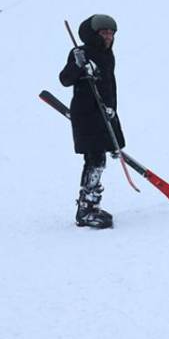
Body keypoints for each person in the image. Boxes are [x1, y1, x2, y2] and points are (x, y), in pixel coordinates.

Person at [59, 14, 124, 229]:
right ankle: (85, 210)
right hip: (87, 115)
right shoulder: (81, 52)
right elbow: (65, 79)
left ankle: (90, 206)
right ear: (93, 34)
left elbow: (109, 88)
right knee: (95, 160)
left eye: (111, 33)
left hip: (104, 114)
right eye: (104, 32)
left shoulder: (107, 54)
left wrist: (112, 115)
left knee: (99, 160)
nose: (108, 36)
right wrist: (79, 66)